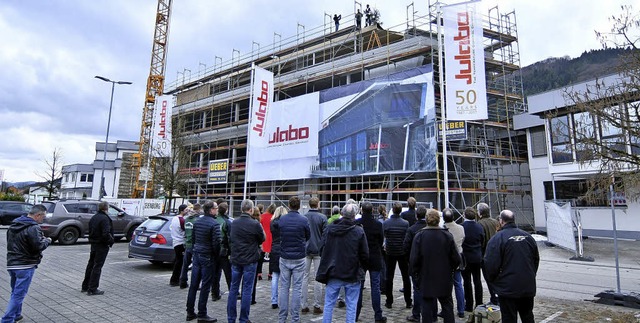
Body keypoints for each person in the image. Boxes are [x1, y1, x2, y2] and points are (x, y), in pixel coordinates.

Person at [316, 203, 369, 323]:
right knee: (351, 305)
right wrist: (362, 268)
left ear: (342, 214)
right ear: (354, 215)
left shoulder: (331, 228)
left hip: (334, 271)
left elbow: (322, 248)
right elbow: (365, 254)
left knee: (329, 304)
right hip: (352, 273)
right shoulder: (358, 231)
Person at [484, 210, 539, 323]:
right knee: (527, 316)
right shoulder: (528, 237)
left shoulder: (497, 239)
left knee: (509, 318)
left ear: (501, 221)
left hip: (507, 288)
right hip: (526, 285)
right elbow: (535, 260)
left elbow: (490, 264)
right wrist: (530, 274)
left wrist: (494, 281)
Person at [1, 204, 51, 323]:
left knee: (15, 292)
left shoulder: (14, 225)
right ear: (38, 215)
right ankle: (7, 320)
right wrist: (47, 241)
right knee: (19, 294)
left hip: (12, 263)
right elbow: (38, 246)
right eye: (43, 217)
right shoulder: (33, 228)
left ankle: (17, 315)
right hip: (25, 265)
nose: (43, 219)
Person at [409, 209, 461, 323]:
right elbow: (457, 259)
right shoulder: (447, 235)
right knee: (447, 306)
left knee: (427, 306)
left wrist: (416, 276)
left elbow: (413, 260)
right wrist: (450, 269)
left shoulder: (420, 236)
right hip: (444, 276)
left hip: (426, 276)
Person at [227, 199, 265, 323]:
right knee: (247, 289)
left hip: (236, 258)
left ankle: (231, 318)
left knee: (233, 288)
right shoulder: (254, 224)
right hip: (250, 259)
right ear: (251, 209)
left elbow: (231, 238)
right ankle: (243, 318)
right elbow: (262, 238)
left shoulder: (234, 223)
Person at [274, 196, 310, 323]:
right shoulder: (304, 220)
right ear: (299, 206)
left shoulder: (282, 220)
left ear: (289, 205)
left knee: (284, 287)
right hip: (299, 257)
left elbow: (279, 234)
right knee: (297, 288)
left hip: (284, 256)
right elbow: (308, 235)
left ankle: (282, 318)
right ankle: (295, 318)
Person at [186, 201, 221, 322]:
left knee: (194, 285)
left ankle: (190, 311)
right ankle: (202, 313)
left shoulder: (197, 222)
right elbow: (216, 243)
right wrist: (216, 256)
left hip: (197, 254)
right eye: (216, 208)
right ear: (211, 210)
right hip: (207, 256)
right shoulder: (214, 224)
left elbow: (194, 238)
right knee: (205, 285)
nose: (217, 210)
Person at [355, 201, 387, 323]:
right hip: (374, 257)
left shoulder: (357, 224)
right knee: (375, 288)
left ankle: (355, 314)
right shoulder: (378, 225)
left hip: (361, 258)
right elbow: (380, 241)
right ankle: (378, 315)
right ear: (372, 210)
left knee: (359, 287)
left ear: (362, 210)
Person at [382, 202, 411, 309]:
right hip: (402, 252)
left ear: (393, 210)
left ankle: (389, 301)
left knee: (389, 277)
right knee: (405, 277)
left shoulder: (386, 223)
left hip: (390, 252)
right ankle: (408, 301)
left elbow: (384, 235)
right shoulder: (405, 223)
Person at [301, 197, 327, 315]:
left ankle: (304, 305)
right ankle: (316, 305)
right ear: (318, 204)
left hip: (306, 250)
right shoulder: (322, 218)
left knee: (304, 278)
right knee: (318, 278)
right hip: (318, 250)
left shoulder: (304, 217)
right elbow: (325, 235)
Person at [82, 201, 114, 296]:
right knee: (97, 266)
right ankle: (92, 288)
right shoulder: (105, 219)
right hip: (101, 245)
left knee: (91, 265)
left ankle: (85, 286)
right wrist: (110, 241)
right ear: (106, 208)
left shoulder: (94, 217)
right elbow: (105, 233)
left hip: (94, 243)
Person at [402, 205, 427, 322]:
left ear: (416, 216)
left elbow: (406, 247)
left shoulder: (411, 229)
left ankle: (416, 314)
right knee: (430, 287)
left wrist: (409, 260)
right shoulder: (430, 228)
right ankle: (431, 313)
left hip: (415, 263)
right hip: (429, 263)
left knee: (417, 289)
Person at [443, 208, 466, 319]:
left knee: (446, 286)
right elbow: (462, 240)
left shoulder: (442, 230)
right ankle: (461, 309)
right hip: (457, 258)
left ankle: (446, 309)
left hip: (446, 260)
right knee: (458, 284)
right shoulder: (461, 228)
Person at [461, 207, 485, 313]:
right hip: (477, 256)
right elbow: (482, 240)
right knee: (477, 281)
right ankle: (479, 303)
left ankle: (469, 304)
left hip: (466, 257)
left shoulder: (462, 227)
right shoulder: (479, 227)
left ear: (464, 215)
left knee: (467, 282)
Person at [477, 202, 500, 305]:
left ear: (480, 213)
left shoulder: (480, 224)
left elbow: (481, 240)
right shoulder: (495, 222)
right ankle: (498, 297)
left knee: (489, 278)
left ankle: (494, 298)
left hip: (486, 255)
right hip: (497, 254)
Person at [212, 202, 232, 301]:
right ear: (226, 210)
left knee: (215, 272)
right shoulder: (226, 222)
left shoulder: (214, 220)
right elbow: (230, 238)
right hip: (224, 250)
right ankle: (233, 293)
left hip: (214, 250)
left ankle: (214, 293)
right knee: (228, 273)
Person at [269, 206, 287, 309]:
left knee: (275, 275)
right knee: (285, 277)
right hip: (284, 248)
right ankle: (283, 300)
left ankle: (274, 300)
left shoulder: (272, 223)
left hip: (274, 248)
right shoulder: (285, 223)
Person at [181, 205, 200, 289]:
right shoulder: (197, 220)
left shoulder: (187, 219)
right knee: (196, 265)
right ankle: (195, 283)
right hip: (194, 244)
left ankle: (182, 281)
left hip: (187, 244)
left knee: (185, 265)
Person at [170, 204, 188, 286]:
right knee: (179, 262)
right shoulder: (182, 220)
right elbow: (185, 230)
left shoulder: (174, 218)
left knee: (178, 261)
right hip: (180, 242)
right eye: (186, 210)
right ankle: (175, 280)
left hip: (175, 241)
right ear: (182, 210)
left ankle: (175, 279)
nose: (188, 211)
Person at [261, 204, 276, 281]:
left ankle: (259, 273)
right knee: (272, 258)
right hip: (272, 236)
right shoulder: (274, 217)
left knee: (261, 255)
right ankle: (270, 273)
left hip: (264, 235)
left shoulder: (263, 216)